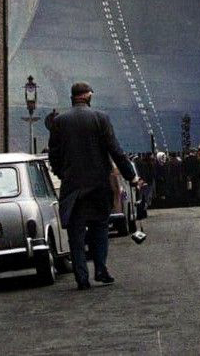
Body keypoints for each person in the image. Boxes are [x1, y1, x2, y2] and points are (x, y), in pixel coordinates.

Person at [48, 82, 144, 290]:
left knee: (76, 233)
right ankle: (100, 269)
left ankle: (81, 277)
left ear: (73, 97)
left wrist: (61, 173)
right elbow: (116, 151)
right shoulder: (100, 118)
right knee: (100, 228)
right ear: (88, 96)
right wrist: (132, 177)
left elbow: (53, 155)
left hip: (73, 188)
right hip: (99, 185)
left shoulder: (59, 122)